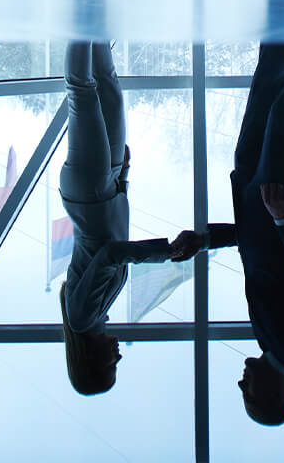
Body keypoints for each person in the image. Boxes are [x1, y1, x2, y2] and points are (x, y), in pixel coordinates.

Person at [169, 41, 284, 424]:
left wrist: (207, 239)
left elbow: (255, 249)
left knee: (268, 85)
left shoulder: (268, 338)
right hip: (278, 199)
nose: (241, 384)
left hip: (255, 193)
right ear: (275, 395)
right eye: (248, 394)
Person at [58, 41, 171, 394]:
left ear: (91, 360)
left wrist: (163, 252)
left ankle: (82, 22)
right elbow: (116, 237)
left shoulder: (82, 317)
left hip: (90, 193)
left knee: (84, 92)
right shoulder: (97, 311)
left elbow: (109, 253)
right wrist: (124, 178)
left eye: (111, 366)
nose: (118, 358)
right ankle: (97, 17)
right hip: (106, 186)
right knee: (109, 88)